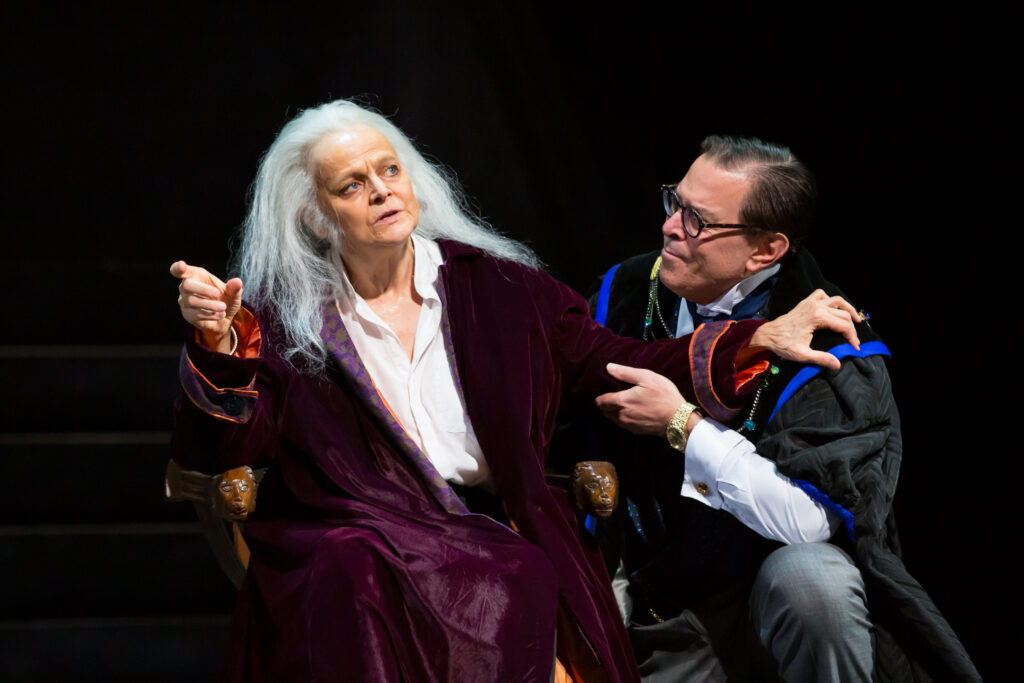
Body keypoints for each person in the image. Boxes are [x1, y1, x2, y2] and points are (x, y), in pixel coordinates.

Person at [169, 102, 860, 683]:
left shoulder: (500, 290)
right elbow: (220, 447)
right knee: (351, 572)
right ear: (317, 217)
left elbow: (615, 360)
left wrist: (757, 339)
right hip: (351, 528)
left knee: (518, 571)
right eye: (351, 185)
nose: (382, 190)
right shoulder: (283, 313)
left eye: (389, 170)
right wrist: (221, 348)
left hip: (482, 525)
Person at [579, 135, 980, 681]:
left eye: (697, 220)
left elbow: (809, 520)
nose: (672, 226)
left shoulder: (835, 349)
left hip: (771, 602)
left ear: (765, 251)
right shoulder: (625, 290)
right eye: (675, 202)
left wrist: (683, 425)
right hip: (658, 592)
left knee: (815, 582)